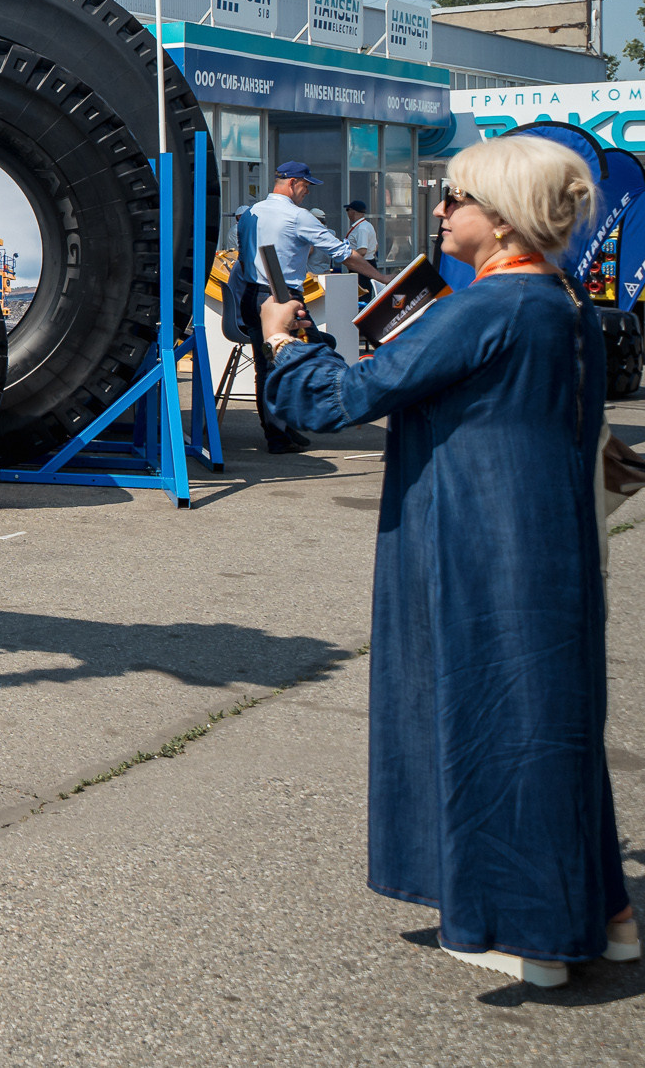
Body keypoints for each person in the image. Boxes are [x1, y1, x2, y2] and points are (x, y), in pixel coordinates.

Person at [262, 134, 638, 989]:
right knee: (551, 721)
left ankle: (533, 933)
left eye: (453, 198)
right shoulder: (563, 301)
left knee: (499, 722)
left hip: (482, 538)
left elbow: (345, 398)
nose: (438, 212)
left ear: (499, 216)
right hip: (546, 534)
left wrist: (287, 345)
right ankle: (603, 913)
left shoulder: (488, 306)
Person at [242, 162, 392, 454]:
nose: (306, 193)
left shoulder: (252, 212)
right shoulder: (297, 217)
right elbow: (342, 253)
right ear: (293, 183)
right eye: (306, 187)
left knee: (269, 364)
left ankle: (281, 429)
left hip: (251, 294)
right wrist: (381, 277)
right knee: (297, 358)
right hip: (283, 296)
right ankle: (283, 432)